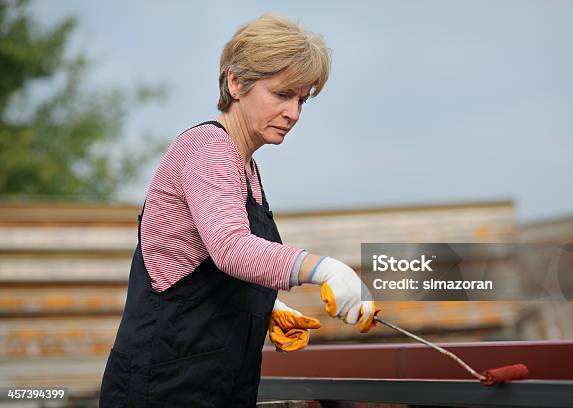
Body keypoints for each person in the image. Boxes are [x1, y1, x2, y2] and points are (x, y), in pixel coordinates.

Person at [99, 14, 377, 407]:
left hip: (215, 385)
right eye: (281, 95)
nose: (294, 114)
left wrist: (263, 305)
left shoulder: (246, 166)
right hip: (161, 385)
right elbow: (231, 247)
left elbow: (202, 263)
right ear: (235, 82)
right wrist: (325, 269)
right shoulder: (208, 150)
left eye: (301, 100)